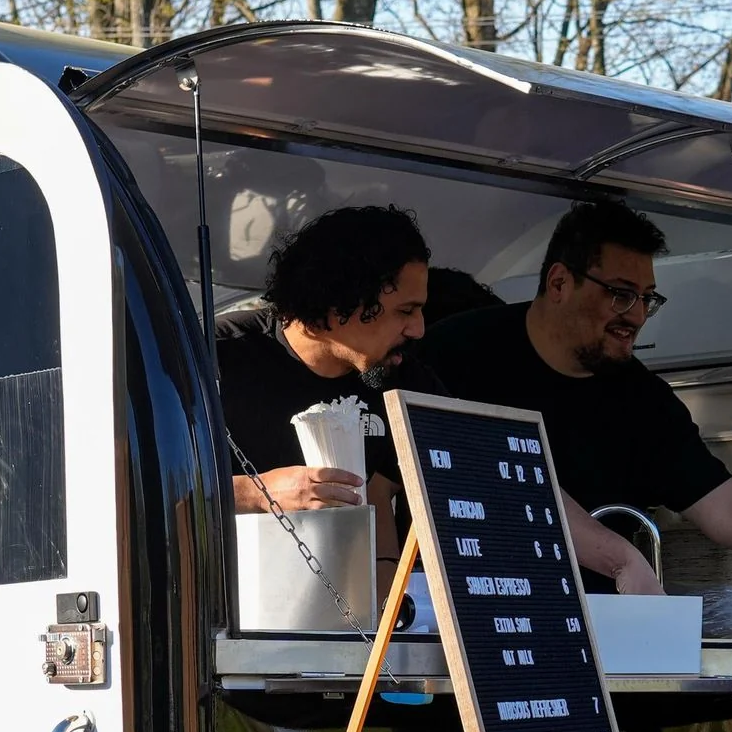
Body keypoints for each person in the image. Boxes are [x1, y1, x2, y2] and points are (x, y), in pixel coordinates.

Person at [419, 196, 732, 581]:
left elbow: (728, 506)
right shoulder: (458, 352)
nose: (636, 316)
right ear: (560, 282)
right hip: (458, 620)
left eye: (647, 298)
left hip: (598, 632)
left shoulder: (642, 400)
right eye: (621, 294)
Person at [215, 204, 653, 596]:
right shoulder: (214, 356)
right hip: (209, 634)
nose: (420, 329)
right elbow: (147, 493)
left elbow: (502, 476)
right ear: (339, 302)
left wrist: (621, 558)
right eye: (405, 311)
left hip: (333, 632)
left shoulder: (400, 378)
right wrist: (258, 492)